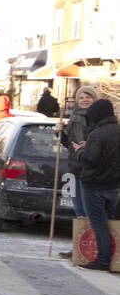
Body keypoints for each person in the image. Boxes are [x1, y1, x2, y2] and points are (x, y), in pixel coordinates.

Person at [69, 97, 120, 271]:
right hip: (113, 185)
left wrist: (81, 150)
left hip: (94, 185)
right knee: (111, 222)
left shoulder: (97, 134)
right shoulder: (117, 130)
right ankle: (114, 258)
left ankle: (103, 260)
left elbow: (90, 160)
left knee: (99, 224)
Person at [60, 86, 97, 219]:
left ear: (94, 99)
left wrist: (90, 144)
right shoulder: (73, 116)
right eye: (81, 98)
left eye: (88, 97)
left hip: (89, 169)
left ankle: (93, 238)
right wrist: (60, 132)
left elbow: (105, 141)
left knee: (89, 209)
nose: (84, 100)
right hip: (74, 167)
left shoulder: (97, 117)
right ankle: (83, 238)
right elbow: (69, 144)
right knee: (79, 210)